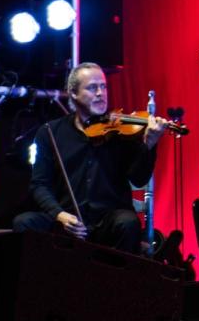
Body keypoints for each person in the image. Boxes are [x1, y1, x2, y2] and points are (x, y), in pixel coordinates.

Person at [13, 63, 167, 254]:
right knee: (24, 222)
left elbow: (138, 178)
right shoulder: (50, 132)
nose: (101, 93)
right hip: (67, 224)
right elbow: (39, 184)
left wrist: (149, 145)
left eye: (103, 87)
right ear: (73, 93)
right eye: (92, 87)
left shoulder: (121, 130)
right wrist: (59, 214)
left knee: (128, 223)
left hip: (108, 223)